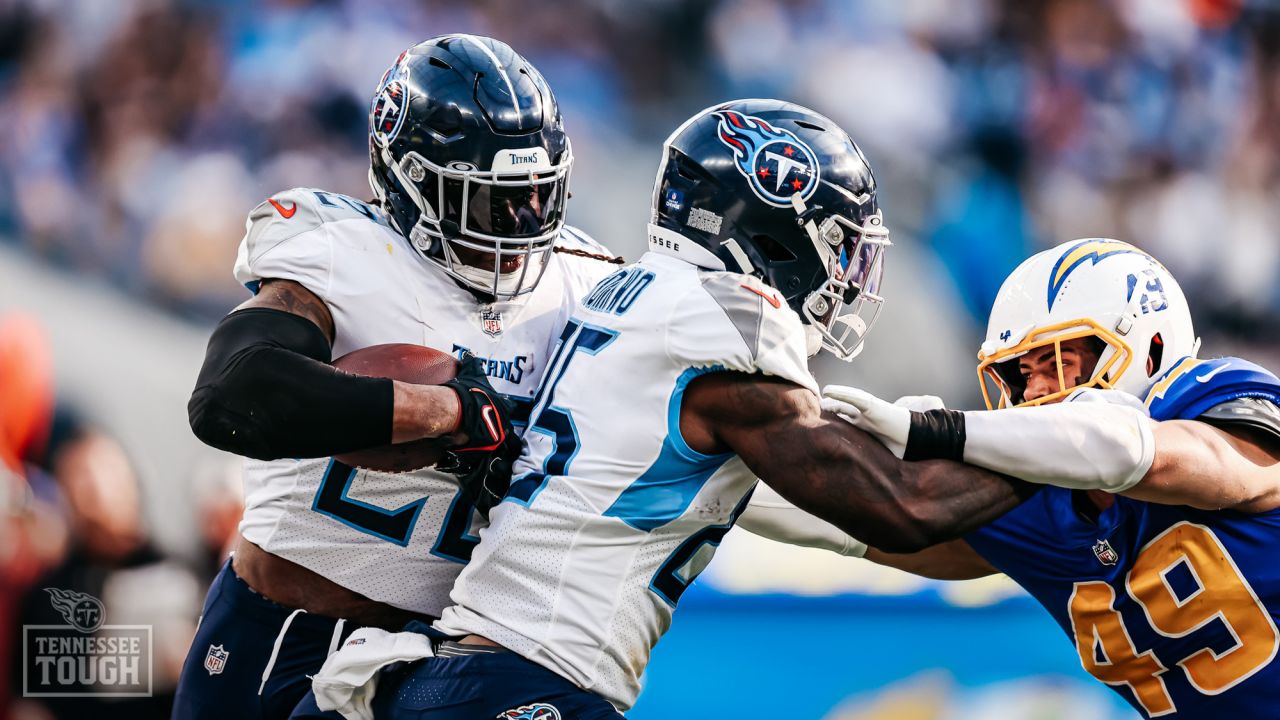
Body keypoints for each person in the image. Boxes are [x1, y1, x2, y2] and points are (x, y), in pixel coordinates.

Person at [333, 99, 1035, 719]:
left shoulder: (640, 309)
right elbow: (899, 508)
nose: (847, 277)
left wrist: (1067, 537)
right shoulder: (726, 321)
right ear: (773, 234)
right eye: (838, 246)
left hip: (471, 678)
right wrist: (1071, 451)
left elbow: (912, 540)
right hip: (526, 683)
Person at [174, 35, 624, 720]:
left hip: (444, 655)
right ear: (407, 181)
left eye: (534, 196)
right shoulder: (343, 251)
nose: (517, 228)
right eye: (485, 202)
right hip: (285, 629)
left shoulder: (586, 284)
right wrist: (446, 412)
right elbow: (231, 393)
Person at [822, 238, 1280, 718]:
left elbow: (1129, 446)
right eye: (1021, 375)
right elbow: (856, 514)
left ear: (1152, 349)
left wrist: (939, 430)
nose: (1035, 392)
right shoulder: (1040, 502)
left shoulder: (1210, 402)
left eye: (1059, 363)